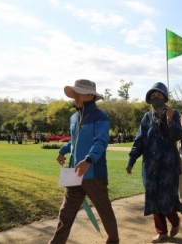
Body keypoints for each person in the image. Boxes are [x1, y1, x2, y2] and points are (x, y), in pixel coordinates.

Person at [49, 79, 120, 244]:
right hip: (73, 172)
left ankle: (114, 241)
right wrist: (63, 151)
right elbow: (75, 140)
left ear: (91, 95)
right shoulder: (74, 117)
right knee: (65, 213)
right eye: (75, 92)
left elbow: (101, 142)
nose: (76, 95)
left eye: (79, 92)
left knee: (104, 211)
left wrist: (88, 160)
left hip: (94, 174)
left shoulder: (100, 116)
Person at [126, 82, 182, 243]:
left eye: (159, 95)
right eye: (153, 96)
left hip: (168, 165)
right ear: (149, 99)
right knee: (153, 198)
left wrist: (170, 121)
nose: (156, 98)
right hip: (150, 165)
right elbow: (139, 140)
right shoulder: (146, 117)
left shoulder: (174, 113)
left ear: (164, 97)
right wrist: (131, 160)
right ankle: (161, 231)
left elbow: (177, 136)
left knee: (166, 198)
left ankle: (175, 220)